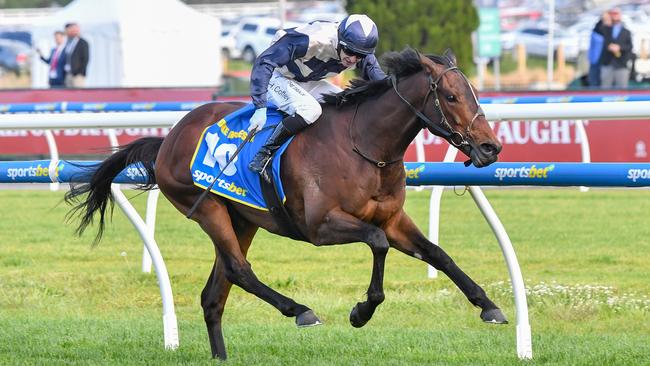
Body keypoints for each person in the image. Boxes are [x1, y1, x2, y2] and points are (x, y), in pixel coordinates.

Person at [247, 14, 387, 174]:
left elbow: (382, 82)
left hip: (305, 80)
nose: (353, 59)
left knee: (348, 103)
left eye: (360, 55)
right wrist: (260, 106)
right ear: (340, 40)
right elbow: (264, 62)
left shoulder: (360, 50)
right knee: (310, 110)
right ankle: (265, 154)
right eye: (349, 51)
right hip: (276, 75)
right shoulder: (312, 40)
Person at [600, 7, 634, 89]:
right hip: (607, 63)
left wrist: (619, 48)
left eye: (616, 14)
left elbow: (630, 46)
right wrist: (606, 18)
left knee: (622, 90)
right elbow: (599, 33)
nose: (614, 16)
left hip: (621, 64)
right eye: (612, 14)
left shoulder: (626, 32)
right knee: (605, 89)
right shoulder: (605, 29)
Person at [587, 12, 611, 88]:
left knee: (606, 84)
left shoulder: (613, 30)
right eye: (604, 19)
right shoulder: (597, 29)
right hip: (595, 60)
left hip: (607, 62)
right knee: (594, 82)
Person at [62, 22, 90, 88]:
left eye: (75, 30)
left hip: (78, 75)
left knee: (78, 94)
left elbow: (85, 58)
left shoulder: (83, 43)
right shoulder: (69, 42)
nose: (72, 32)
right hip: (68, 74)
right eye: (71, 30)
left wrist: (80, 73)